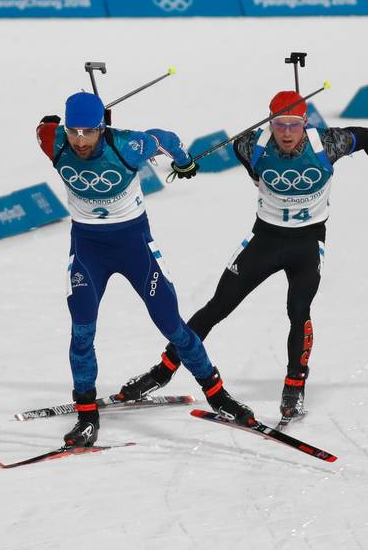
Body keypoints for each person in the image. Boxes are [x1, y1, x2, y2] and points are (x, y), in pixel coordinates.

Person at [117, 90, 368, 424]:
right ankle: (163, 370)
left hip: (307, 244)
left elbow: (367, 137)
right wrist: (254, 174)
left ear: (305, 122)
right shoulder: (253, 145)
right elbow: (239, 149)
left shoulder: (328, 143)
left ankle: (294, 384)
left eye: (294, 124)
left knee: (298, 309)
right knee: (217, 306)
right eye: (280, 124)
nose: (288, 133)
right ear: (271, 122)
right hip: (266, 239)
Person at [37, 92, 256, 447]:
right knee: (81, 331)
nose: (79, 141)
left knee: (171, 324)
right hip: (88, 249)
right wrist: (51, 122)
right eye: (73, 132)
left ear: (101, 127)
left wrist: (184, 163)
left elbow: (166, 140)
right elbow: (45, 127)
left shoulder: (128, 145)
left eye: (88, 132)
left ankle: (218, 395)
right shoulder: (54, 141)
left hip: (133, 245)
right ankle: (86, 416)